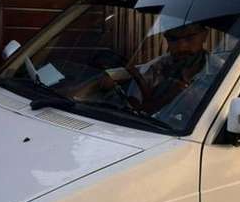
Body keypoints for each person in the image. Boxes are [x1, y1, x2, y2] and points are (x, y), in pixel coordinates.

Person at [75, 21, 223, 127]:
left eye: (189, 38)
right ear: (166, 39)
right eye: (173, 39)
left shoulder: (223, 72)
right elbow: (135, 100)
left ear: (204, 36)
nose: (181, 46)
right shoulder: (158, 67)